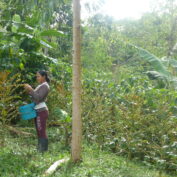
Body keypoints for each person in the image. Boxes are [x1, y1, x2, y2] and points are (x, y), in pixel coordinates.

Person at [24, 70, 50, 152]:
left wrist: (31, 89)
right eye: (36, 76)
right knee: (39, 130)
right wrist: (29, 91)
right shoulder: (41, 85)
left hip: (42, 111)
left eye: (38, 76)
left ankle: (43, 151)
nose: (37, 78)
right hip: (38, 110)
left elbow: (38, 98)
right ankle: (40, 149)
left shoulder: (45, 86)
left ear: (44, 76)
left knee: (41, 130)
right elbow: (35, 97)